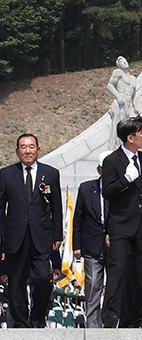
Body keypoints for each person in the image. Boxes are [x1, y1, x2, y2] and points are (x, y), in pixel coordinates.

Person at [101, 116, 142, 328]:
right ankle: (110, 314)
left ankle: (141, 317)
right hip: (120, 225)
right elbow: (107, 192)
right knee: (118, 269)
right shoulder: (112, 161)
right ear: (130, 137)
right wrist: (125, 180)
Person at [0, 133, 63, 328]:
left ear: (38, 149)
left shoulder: (51, 174)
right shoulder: (5, 174)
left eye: (31, 146)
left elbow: (56, 207)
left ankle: (37, 319)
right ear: (17, 151)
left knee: (42, 278)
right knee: (16, 282)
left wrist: (57, 234)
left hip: (42, 236)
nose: (27, 150)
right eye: (23, 147)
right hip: (15, 236)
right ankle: (21, 322)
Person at [72, 151, 111, 328]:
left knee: (114, 287)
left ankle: (111, 323)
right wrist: (77, 245)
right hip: (91, 245)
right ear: (99, 169)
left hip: (115, 246)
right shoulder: (87, 188)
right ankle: (93, 327)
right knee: (93, 285)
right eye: (105, 168)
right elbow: (78, 218)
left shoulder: (121, 189)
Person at [107, 56, 140, 150]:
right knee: (121, 127)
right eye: (121, 62)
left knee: (132, 127)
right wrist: (118, 97)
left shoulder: (133, 78)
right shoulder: (118, 73)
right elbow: (109, 86)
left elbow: (133, 96)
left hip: (129, 105)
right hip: (121, 104)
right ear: (118, 65)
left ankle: (130, 148)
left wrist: (136, 107)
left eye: (125, 60)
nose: (124, 62)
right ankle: (118, 148)